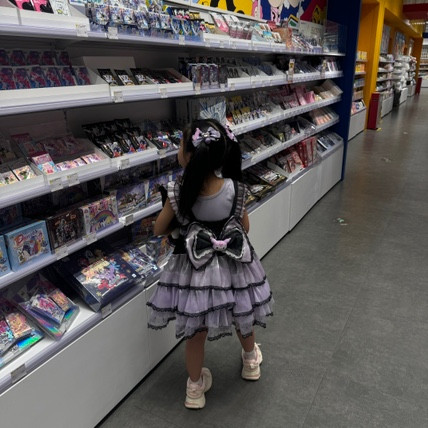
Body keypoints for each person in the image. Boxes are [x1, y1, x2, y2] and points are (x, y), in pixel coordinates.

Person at [147, 118, 273, 409]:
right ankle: (251, 360)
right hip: (233, 268)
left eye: (180, 144)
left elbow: (158, 228)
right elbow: (245, 227)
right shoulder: (235, 188)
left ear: (189, 154)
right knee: (242, 314)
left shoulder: (178, 192)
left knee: (195, 330)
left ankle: (194, 388)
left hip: (194, 270)